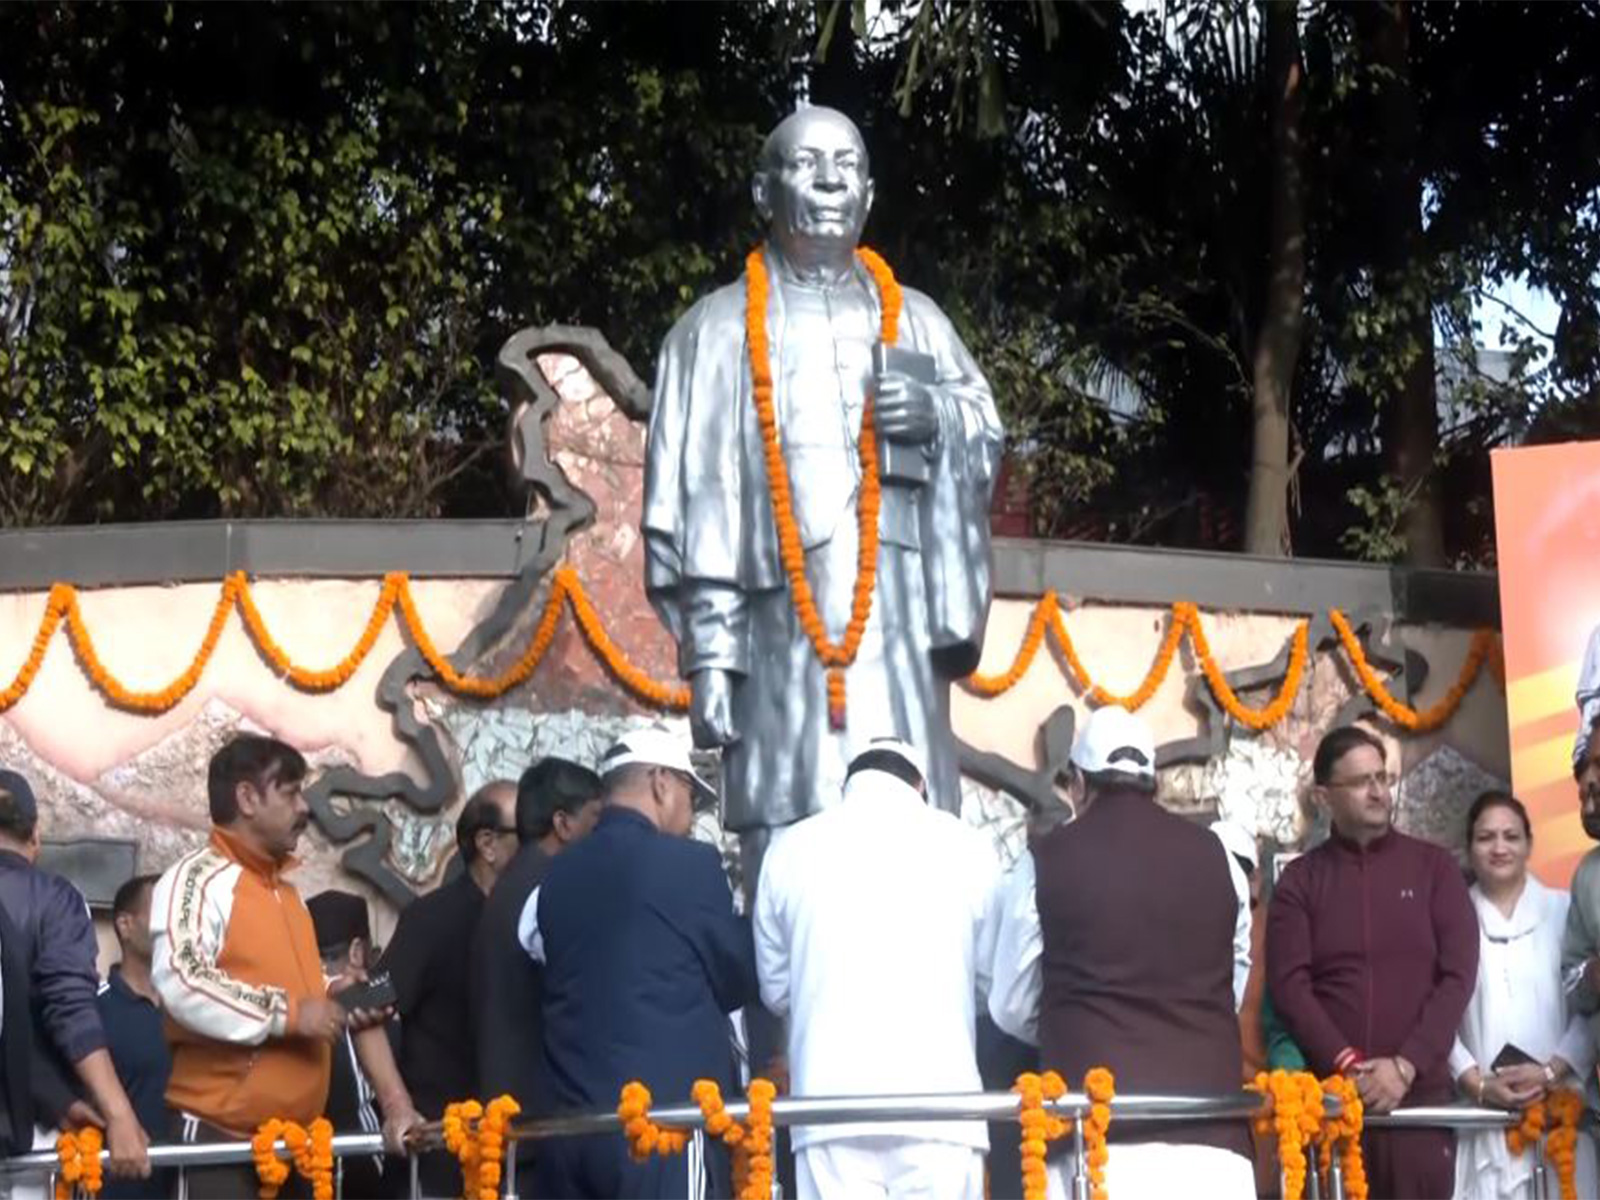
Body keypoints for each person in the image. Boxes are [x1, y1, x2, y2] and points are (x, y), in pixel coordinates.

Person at [641, 105, 1004, 885]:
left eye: (848, 165)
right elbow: (693, 511)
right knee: (788, 841)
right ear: (763, 191)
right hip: (779, 637)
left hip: (895, 627)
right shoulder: (711, 335)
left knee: (909, 844)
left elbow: (986, 434)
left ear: (870, 196)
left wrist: (939, 415)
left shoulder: (922, 325)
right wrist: (712, 662)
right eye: (808, 164)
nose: (832, 179)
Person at [989, 706, 1254, 1200]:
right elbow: (1230, 988)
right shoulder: (1222, 861)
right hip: (1214, 1144)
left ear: (1080, 785)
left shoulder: (1044, 861)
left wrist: (1069, 1021)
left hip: (1098, 1148)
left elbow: (1010, 1005)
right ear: (1152, 783)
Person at [151, 734, 419, 1199]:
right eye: (291, 792)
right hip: (222, 1144)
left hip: (296, 1146)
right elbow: (183, 978)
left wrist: (334, 992)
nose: (304, 807)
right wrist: (292, 1013)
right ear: (248, 798)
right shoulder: (195, 878)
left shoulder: (287, 895)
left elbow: (293, 985)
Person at [753, 737, 1000, 1200]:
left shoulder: (789, 849)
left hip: (827, 1112)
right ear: (920, 785)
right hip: (942, 1110)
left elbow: (776, 992)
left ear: (848, 786)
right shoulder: (969, 846)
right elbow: (990, 987)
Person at [524, 726, 757, 1199]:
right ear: (661, 784)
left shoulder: (556, 876)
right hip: (663, 1130)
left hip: (575, 1132)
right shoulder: (690, 865)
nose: (692, 817)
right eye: (692, 797)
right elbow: (738, 975)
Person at [1267, 725, 1478, 1200]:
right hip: (1335, 1110)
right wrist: (1349, 1067)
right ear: (1324, 797)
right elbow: (1289, 986)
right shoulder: (1301, 882)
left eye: (1383, 778)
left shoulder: (1434, 868)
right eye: (1362, 781)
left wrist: (1405, 1066)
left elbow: (1458, 975)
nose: (1379, 791)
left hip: (1419, 1108)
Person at [0, 769, 150, 1181]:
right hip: (28, 1142)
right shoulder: (55, 898)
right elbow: (68, 1007)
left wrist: (56, 1097)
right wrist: (118, 1112)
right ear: (34, 836)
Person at [370, 780, 517, 1197]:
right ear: (487, 843)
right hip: (439, 1158)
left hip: (512, 1156)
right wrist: (397, 1105)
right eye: (526, 831)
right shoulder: (433, 919)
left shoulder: (534, 916)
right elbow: (364, 1010)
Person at [1452, 792, 1594, 1200]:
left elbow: (1589, 1004)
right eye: (1486, 837)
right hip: (1483, 1122)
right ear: (1469, 848)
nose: (1499, 848)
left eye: (1511, 836)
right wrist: (1477, 1084)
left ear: (1530, 844)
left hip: (1562, 1117)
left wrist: (1552, 1071)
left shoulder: (1565, 909)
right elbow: (1437, 1015)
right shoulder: (1451, 918)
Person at [470, 758, 601, 1114]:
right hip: (537, 1117)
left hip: (515, 1107)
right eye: (596, 820)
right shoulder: (548, 890)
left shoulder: (513, 883)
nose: (603, 835)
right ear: (563, 823)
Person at [95, 875, 171, 1200]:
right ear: (125, 925)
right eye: (161, 911)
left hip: (186, 1182)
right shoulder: (93, 1010)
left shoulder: (192, 1009)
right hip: (120, 1188)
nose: (174, 926)